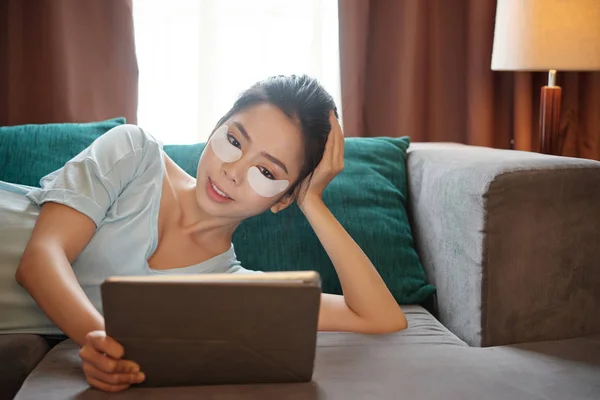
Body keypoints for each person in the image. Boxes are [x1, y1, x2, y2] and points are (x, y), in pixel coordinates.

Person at [0, 75, 407, 392]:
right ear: (216, 127)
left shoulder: (227, 289)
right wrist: (97, 339)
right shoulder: (135, 153)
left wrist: (312, 200)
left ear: (283, 198)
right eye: (233, 140)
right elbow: (40, 261)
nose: (232, 170)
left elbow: (381, 317)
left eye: (267, 172)